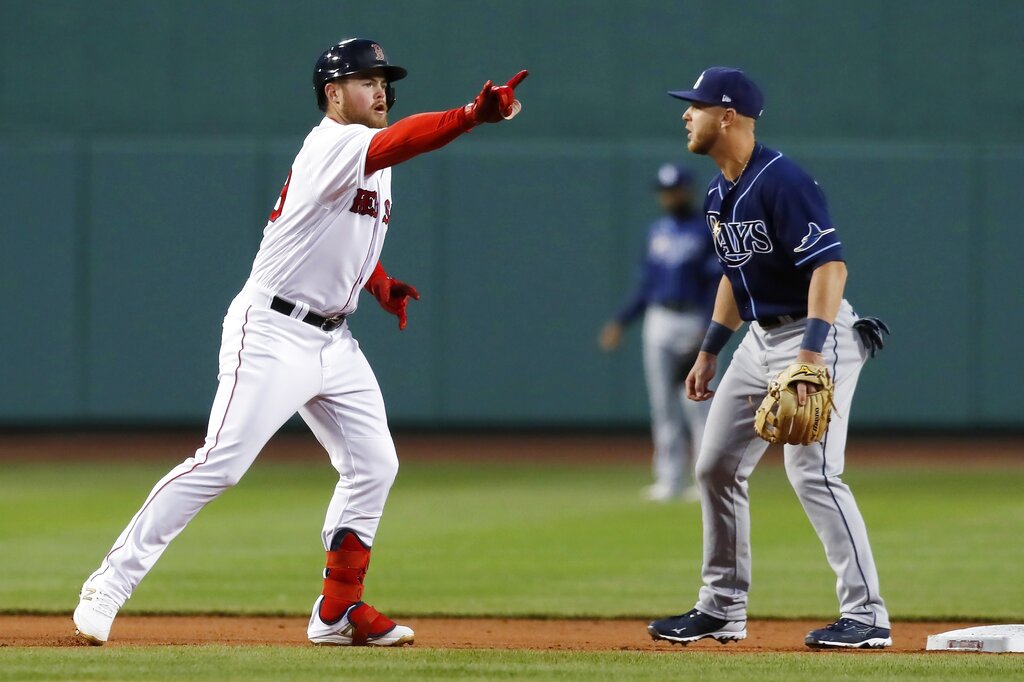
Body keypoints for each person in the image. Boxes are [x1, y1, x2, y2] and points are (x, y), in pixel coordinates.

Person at [72, 38, 528, 648]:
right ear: (332, 93)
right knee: (221, 465)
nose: (381, 91)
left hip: (334, 340)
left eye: (384, 81)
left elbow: (331, 235)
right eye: (367, 81)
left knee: (375, 464)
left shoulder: (364, 154)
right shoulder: (335, 143)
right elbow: (408, 139)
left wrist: (381, 283)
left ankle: (338, 611)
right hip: (271, 332)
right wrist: (472, 115)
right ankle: (108, 584)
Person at [646, 67, 892, 649]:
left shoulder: (783, 180)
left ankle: (868, 616)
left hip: (817, 334)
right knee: (715, 467)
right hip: (758, 340)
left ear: (726, 115)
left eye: (696, 106)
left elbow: (830, 268)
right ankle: (721, 610)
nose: (686, 114)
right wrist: (710, 350)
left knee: (813, 472)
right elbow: (737, 273)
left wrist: (808, 359)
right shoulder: (716, 192)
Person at [598, 163, 719, 502]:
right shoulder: (657, 231)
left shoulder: (705, 231)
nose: (669, 196)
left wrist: (709, 329)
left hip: (693, 318)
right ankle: (669, 480)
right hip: (659, 320)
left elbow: (716, 285)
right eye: (665, 191)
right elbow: (646, 287)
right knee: (662, 405)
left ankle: (706, 480)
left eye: (675, 190)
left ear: (688, 191)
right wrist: (621, 320)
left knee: (698, 405)